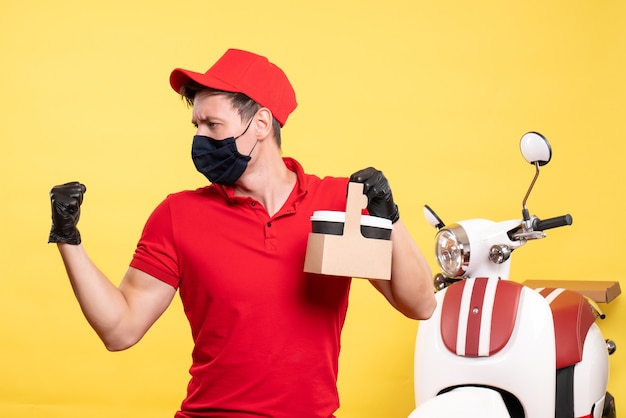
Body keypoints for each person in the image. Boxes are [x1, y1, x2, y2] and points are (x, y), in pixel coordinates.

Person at [48, 48, 436, 418]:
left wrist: (390, 219)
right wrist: (68, 237)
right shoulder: (178, 215)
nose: (200, 138)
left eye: (213, 124)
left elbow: (419, 305)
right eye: (197, 125)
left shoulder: (337, 203)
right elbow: (121, 329)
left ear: (261, 124)